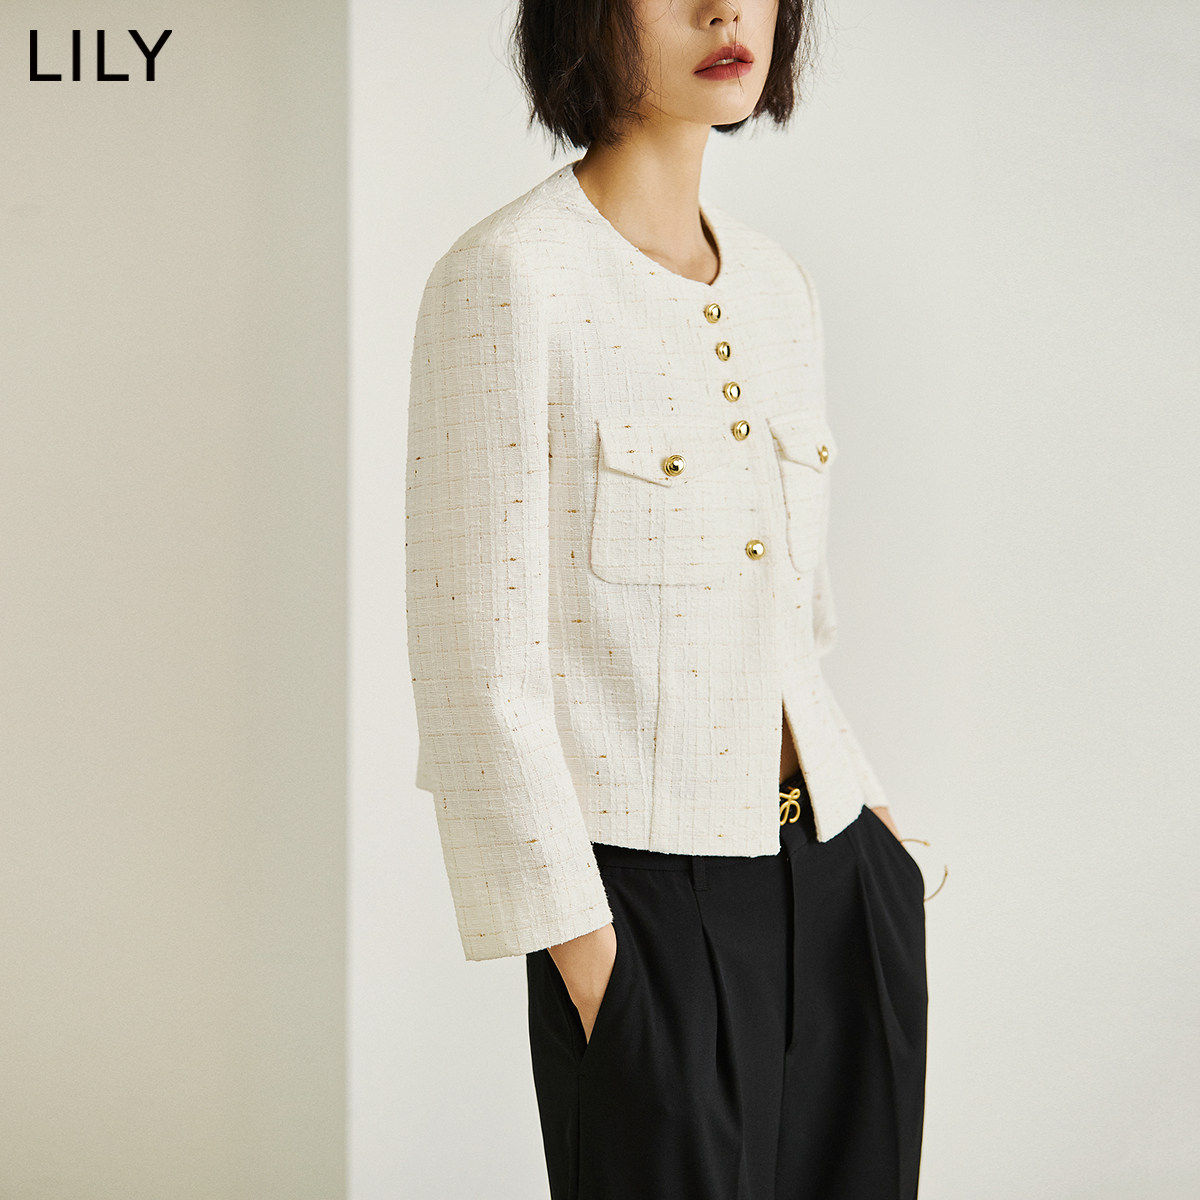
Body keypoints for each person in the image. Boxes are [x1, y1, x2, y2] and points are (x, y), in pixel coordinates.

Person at [405, 1, 929, 1196]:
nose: (723, 9)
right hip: (644, 906)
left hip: (839, 877)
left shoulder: (780, 288)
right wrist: (596, 967)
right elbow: (474, 663)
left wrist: (883, 849)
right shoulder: (509, 280)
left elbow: (797, 626)